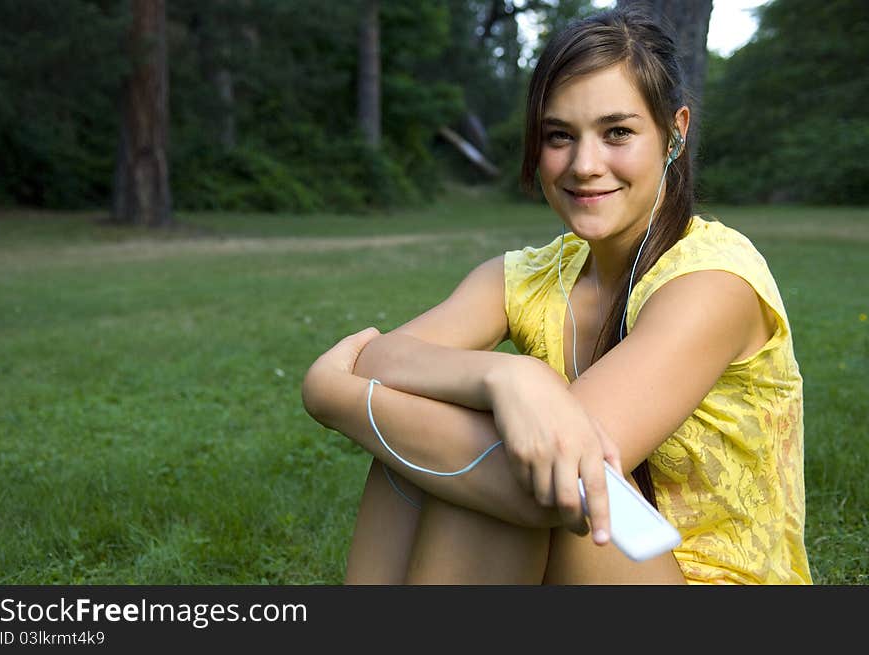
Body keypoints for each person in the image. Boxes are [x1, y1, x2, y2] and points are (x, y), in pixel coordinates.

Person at [301, 6, 812, 585]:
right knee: (425, 450)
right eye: (559, 136)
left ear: (675, 131)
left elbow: (560, 485)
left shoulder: (712, 283)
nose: (584, 165)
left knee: (502, 469)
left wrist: (328, 393)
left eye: (617, 132)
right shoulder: (528, 276)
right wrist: (510, 379)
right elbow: (382, 362)